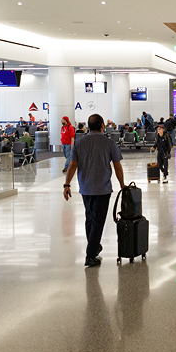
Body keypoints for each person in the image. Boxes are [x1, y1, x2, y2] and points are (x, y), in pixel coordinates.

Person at [63, 114, 126, 268]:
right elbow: (117, 166)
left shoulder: (79, 143)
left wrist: (67, 185)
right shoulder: (109, 143)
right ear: (102, 125)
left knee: (90, 218)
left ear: (88, 127)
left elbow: (72, 165)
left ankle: (95, 246)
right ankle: (90, 255)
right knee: (98, 221)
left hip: (85, 188)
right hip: (103, 189)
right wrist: (122, 185)